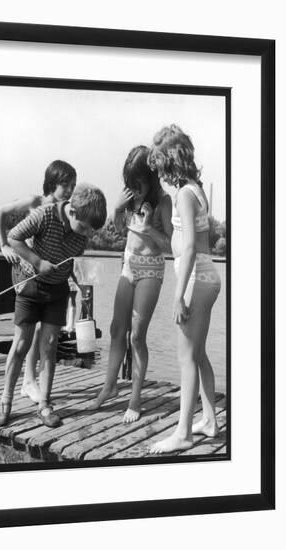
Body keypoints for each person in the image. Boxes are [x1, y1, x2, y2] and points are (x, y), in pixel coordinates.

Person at [0, 183, 107, 428]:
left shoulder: (80, 232)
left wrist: (78, 273)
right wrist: (37, 260)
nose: (86, 234)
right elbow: (14, 237)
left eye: (90, 231)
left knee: (50, 346)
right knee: (21, 344)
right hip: (30, 286)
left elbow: (70, 262)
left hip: (57, 291)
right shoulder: (44, 215)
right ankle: (5, 401)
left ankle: (44, 403)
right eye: (84, 228)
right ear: (72, 212)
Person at [148, 124, 221, 453]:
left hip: (195, 279)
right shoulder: (195, 188)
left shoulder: (184, 195)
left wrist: (178, 295)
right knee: (198, 353)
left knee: (185, 358)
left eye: (160, 163)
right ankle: (209, 420)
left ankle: (183, 432)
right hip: (206, 278)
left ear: (169, 161)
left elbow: (190, 247)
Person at [90, 146, 172, 423]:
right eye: (129, 181)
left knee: (136, 335)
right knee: (116, 329)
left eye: (138, 181)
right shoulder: (129, 200)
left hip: (151, 270)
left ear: (150, 177)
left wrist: (149, 227)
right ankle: (110, 386)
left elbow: (171, 244)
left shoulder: (163, 201)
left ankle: (135, 398)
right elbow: (116, 229)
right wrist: (115, 208)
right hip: (128, 266)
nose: (133, 187)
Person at [0, 160, 77, 402]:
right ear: (52, 183)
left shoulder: (65, 213)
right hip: (26, 273)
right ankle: (26, 382)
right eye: (66, 185)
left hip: (49, 278)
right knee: (28, 332)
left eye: (73, 185)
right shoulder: (35, 203)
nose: (70, 191)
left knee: (44, 330)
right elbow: (0, 212)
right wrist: (3, 245)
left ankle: (29, 381)